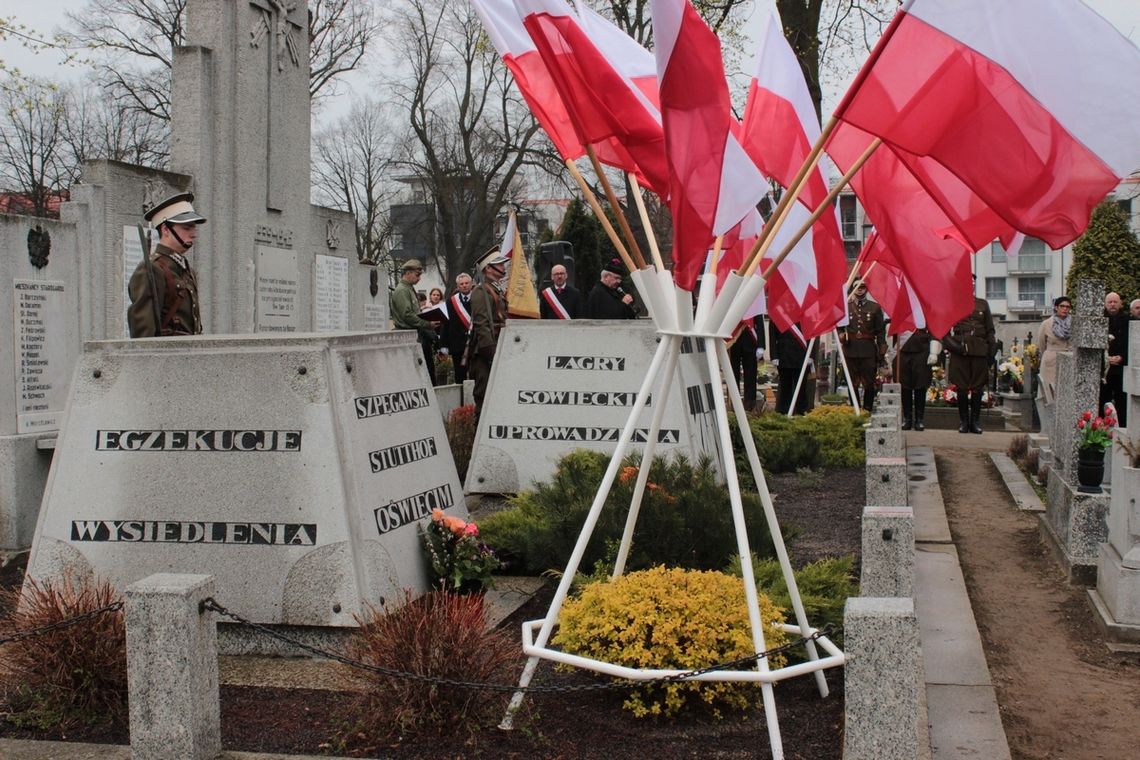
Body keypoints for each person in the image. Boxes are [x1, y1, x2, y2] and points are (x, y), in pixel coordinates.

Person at [127, 192, 207, 337]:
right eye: (187, 228)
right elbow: (143, 334)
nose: (194, 234)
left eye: (194, 228)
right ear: (165, 230)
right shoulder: (151, 269)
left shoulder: (186, 269)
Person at [944, 284, 995, 434]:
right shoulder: (953, 304)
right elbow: (944, 331)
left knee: (978, 387)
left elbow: (990, 330)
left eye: (972, 284)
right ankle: (964, 422)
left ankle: (975, 422)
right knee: (961, 387)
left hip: (979, 350)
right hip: (961, 349)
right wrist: (954, 347)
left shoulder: (982, 304)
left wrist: (991, 351)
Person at [468, 247, 509, 419]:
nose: (504, 267)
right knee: (484, 393)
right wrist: (490, 352)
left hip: (498, 344)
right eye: (499, 264)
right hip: (486, 350)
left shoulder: (496, 289)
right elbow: (481, 324)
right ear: (488, 269)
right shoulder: (480, 291)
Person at [390, 259, 441, 385]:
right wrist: (427, 324)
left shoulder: (409, 289)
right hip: (408, 336)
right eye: (417, 275)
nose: (419, 278)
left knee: (426, 372)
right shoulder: (402, 290)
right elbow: (407, 315)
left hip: (416, 335)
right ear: (408, 273)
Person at [840, 279, 886, 412]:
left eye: (863, 287)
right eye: (857, 287)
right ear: (853, 289)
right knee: (851, 382)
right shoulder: (846, 306)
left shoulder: (875, 307)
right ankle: (855, 409)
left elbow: (880, 331)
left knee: (869, 383)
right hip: (850, 349)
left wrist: (882, 349)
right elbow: (839, 326)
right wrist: (841, 335)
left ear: (866, 289)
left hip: (868, 351)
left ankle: (867, 409)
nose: (860, 289)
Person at [895, 327, 938, 430]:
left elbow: (934, 327)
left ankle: (919, 419)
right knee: (905, 386)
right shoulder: (902, 310)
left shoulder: (925, 310)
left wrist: (934, 351)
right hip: (903, 348)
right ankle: (907, 419)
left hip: (922, 349)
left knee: (920, 385)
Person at [1101, 291, 1129, 426]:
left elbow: (1131, 343)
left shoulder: (1128, 321)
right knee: (1103, 400)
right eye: (1109, 302)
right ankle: (1102, 429)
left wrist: (1122, 357)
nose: (1112, 304)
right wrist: (1106, 358)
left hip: (1121, 368)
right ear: (1105, 304)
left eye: (1115, 302)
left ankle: (1123, 428)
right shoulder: (1099, 321)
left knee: (1122, 400)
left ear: (1120, 303)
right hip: (1103, 369)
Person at [1037, 295, 1072, 403]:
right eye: (1062, 306)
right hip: (1051, 360)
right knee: (1049, 392)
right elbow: (1041, 343)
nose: (1065, 309)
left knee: (1066, 392)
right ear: (1056, 307)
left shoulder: (1074, 323)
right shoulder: (1046, 324)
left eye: (1068, 307)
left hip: (1069, 358)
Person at [442, 273, 474, 384]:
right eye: (461, 284)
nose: (464, 285)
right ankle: (462, 400)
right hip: (457, 345)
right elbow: (445, 324)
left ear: (471, 284)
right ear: (458, 286)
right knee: (460, 376)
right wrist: (443, 345)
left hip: (475, 343)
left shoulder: (478, 298)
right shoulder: (451, 302)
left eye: (466, 283)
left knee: (476, 374)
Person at [771, 323, 810, 415]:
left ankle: (802, 411)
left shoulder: (804, 310)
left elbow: (811, 333)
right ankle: (784, 412)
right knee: (785, 387)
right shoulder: (779, 311)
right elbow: (772, 335)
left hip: (801, 354)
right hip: (784, 354)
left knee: (801, 387)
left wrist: (811, 355)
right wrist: (774, 355)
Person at [728, 317, 764, 412]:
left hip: (751, 341)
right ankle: (733, 404)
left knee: (751, 375)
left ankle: (750, 405)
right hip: (732, 341)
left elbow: (759, 323)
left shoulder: (754, 302)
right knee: (732, 374)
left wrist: (761, 345)